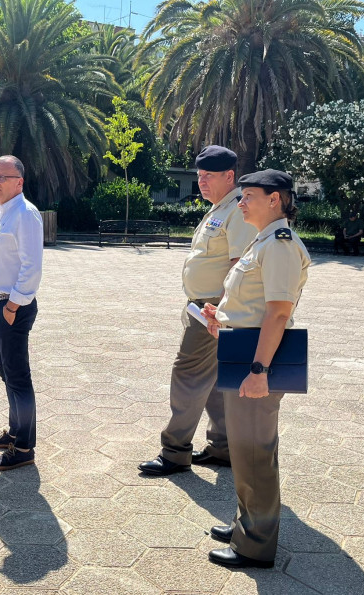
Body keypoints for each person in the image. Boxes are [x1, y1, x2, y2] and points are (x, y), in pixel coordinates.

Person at [200, 169, 311, 569]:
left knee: (255, 454)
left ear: (275, 199)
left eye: (249, 196)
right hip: (244, 352)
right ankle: (245, 523)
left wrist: (260, 370)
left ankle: (255, 545)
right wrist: (221, 317)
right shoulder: (262, 240)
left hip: (256, 361)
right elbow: (251, 305)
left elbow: (278, 312)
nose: (241, 203)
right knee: (246, 451)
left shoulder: (279, 245)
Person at [138, 145, 256, 476]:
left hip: (212, 309)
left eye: (209, 176)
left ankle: (175, 451)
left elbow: (238, 266)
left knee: (187, 374)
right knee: (214, 381)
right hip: (203, 307)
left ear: (229, 176)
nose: (201, 181)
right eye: (200, 175)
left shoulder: (237, 210)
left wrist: (219, 311)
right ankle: (224, 447)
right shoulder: (221, 208)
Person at [0, 155, 44, 472]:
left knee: (18, 378)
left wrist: (12, 306)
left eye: (2, 177)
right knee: (8, 375)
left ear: (19, 182)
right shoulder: (5, 213)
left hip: (12, 308)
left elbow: (32, 267)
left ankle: (23, 448)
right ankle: (16, 432)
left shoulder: (25, 215)